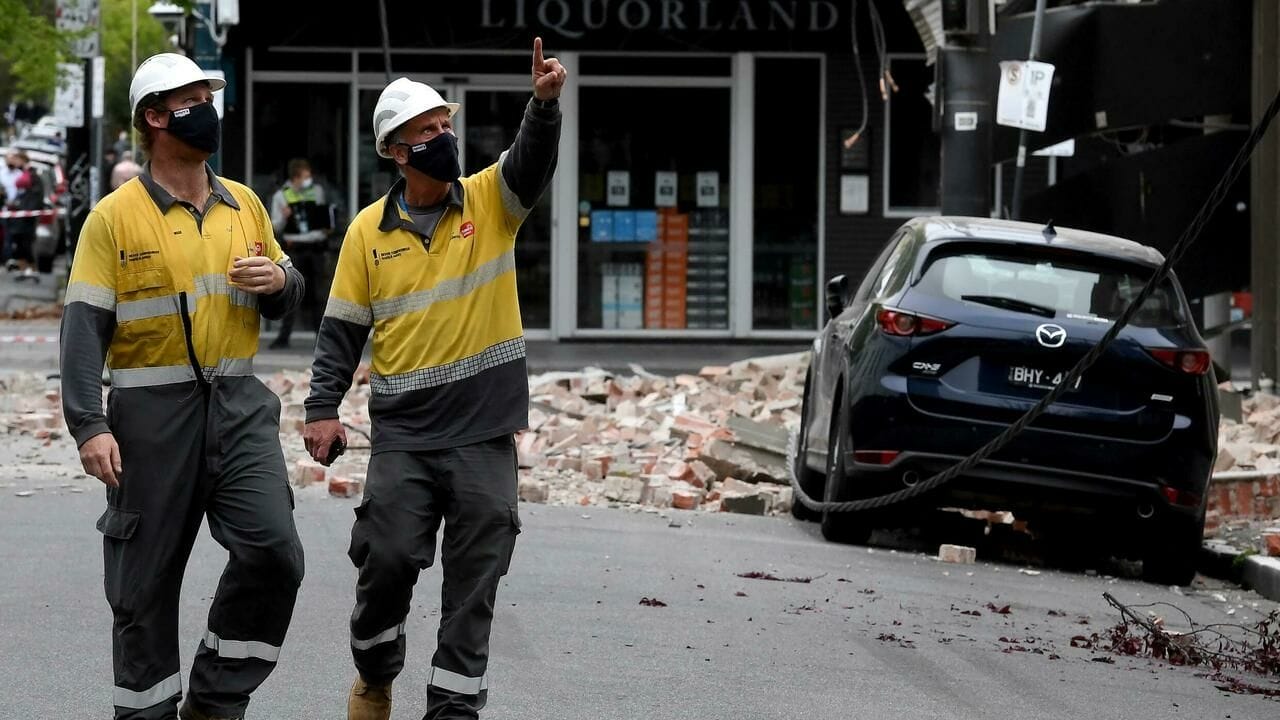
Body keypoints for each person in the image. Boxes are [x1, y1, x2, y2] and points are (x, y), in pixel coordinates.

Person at [302, 37, 565, 720]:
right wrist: (320, 409)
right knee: (385, 560)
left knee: (475, 583)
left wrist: (542, 108)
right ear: (396, 150)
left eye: (446, 126)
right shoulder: (367, 233)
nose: (444, 137)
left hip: (483, 435)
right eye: (428, 131)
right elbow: (340, 332)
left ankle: (453, 711)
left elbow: (531, 167)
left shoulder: (488, 202)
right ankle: (376, 669)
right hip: (406, 438)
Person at [59, 52, 306, 720]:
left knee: (274, 552)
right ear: (156, 117)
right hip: (149, 419)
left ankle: (215, 702)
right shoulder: (113, 219)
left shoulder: (244, 204)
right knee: (143, 592)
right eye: (194, 100)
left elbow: (291, 291)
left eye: (209, 97)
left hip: (239, 409)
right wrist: (89, 423)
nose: (209, 111)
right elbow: (84, 327)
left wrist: (281, 283)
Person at [268, 157, 330, 349]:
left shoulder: (316, 192)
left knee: (319, 294)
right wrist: (284, 218)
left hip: (315, 248)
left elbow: (324, 221)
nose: (309, 179)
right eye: (305, 176)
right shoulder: (281, 196)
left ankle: (322, 337)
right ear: (296, 177)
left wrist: (326, 226)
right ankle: (284, 336)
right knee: (292, 291)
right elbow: (273, 225)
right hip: (295, 248)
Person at [5, 151, 43, 273]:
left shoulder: (32, 173)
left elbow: (36, 195)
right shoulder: (23, 173)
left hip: (27, 214)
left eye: (17, 160)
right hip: (19, 212)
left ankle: (32, 268)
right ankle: (23, 268)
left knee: (26, 241)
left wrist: (29, 209)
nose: (14, 163)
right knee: (19, 241)